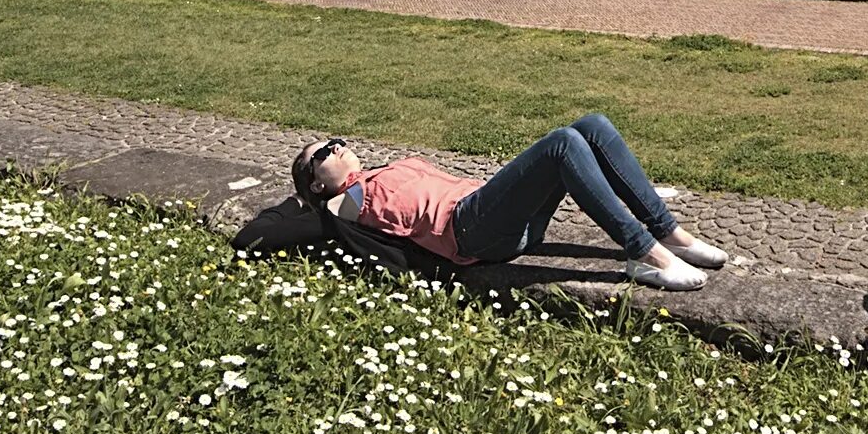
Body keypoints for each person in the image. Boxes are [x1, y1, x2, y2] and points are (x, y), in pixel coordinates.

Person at [290, 114, 729, 291]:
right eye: (324, 152)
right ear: (315, 184)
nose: (338, 146)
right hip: (467, 229)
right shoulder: (344, 203)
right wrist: (313, 203)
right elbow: (296, 222)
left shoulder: (374, 176)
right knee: (562, 144)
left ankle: (669, 233)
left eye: (336, 141)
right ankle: (644, 254)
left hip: (494, 212)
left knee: (591, 126)